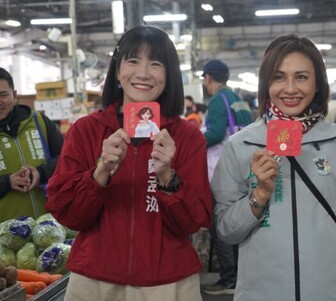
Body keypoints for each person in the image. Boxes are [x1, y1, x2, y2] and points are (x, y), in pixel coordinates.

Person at [45, 25, 212, 301]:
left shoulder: (186, 136)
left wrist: (167, 177)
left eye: (155, 64)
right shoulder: (85, 130)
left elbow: (194, 221)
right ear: (118, 71)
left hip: (168, 282)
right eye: (133, 61)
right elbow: (68, 214)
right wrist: (101, 171)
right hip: (94, 281)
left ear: (169, 75)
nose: (143, 73)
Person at [211, 34, 336, 301]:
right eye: (278, 77)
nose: (290, 88)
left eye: (301, 77)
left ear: (317, 84)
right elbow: (226, 231)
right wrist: (259, 195)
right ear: (266, 83)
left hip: (330, 293)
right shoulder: (240, 145)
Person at [201, 59, 251, 295]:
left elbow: (214, 135)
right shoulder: (237, 98)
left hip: (221, 171)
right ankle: (241, 275)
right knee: (241, 222)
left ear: (208, 79)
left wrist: (190, 140)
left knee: (220, 224)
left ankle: (229, 277)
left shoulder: (217, 101)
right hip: (243, 168)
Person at [0, 68, 63, 222]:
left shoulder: (39, 122)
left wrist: (41, 173)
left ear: (14, 95)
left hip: (52, 228)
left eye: (3, 95)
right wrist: (7, 182)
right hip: (6, 239)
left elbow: (67, 158)